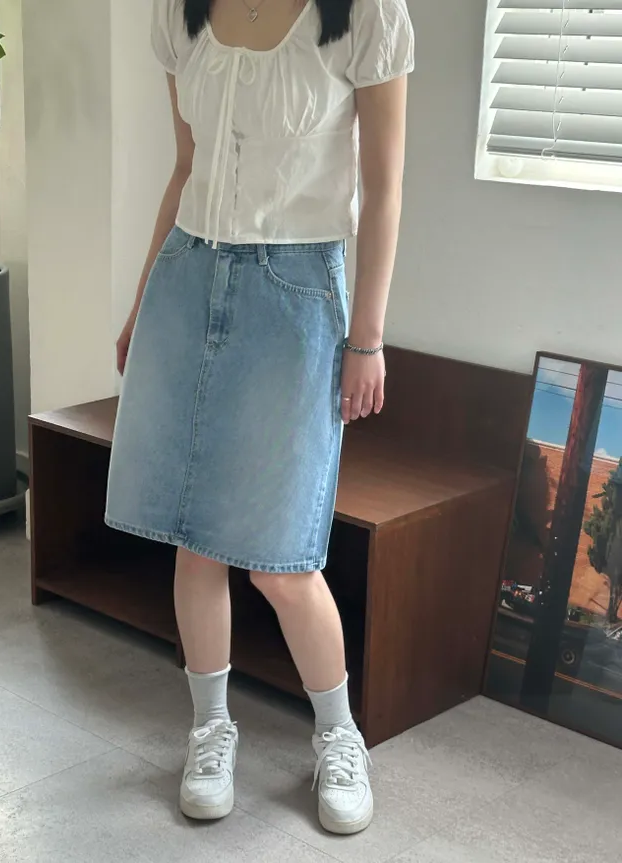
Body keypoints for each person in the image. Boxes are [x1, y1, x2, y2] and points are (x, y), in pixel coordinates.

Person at [106, 0, 413, 835]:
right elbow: (185, 166)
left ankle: (339, 735)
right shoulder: (182, 12)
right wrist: (142, 305)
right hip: (187, 277)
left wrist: (368, 338)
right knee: (195, 537)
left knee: (283, 558)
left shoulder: (366, 14)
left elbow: (385, 188)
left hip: (298, 294)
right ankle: (210, 728)